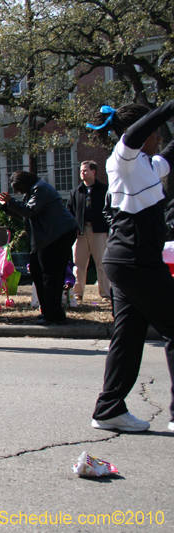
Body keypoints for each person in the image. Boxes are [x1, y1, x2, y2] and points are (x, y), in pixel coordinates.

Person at [85, 102, 174, 433]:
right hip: (136, 261)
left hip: (126, 262)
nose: (159, 137)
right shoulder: (122, 159)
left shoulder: (147, 166)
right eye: (155, 132)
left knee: (129, 336)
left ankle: (109, 408)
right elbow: (137, 132)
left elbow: (168, 157)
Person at [0, 171, 79, 325]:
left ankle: (55, 314)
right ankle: (47, 310)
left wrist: (11, 201)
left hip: (58, 234)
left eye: (18, 188)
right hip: (48, 236)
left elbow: (29, 211)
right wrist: (7, 206)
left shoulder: (40, 189)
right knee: (36, 268)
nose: (19, 192)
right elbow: (25, 215)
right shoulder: (32, 191)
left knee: (50, 274)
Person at [68, 161, 111, 303]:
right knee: (78, 265)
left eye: (85, 170)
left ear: (94, 172)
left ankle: (105, 294)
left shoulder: (104, 190)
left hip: (99, 231)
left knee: (102, 263)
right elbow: (69, 212)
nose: (82, 173)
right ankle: (77, 293)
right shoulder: (76, 192)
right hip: (80, 233)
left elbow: (110, 210)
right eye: (81, 170)